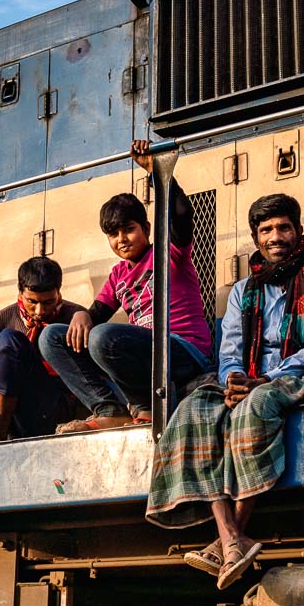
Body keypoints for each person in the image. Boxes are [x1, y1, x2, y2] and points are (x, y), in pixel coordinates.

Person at [149, 193, 304, 588]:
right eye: (266, 230)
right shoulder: (244, 290)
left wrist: (263, 379)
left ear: (298, 231)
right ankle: (231, 538)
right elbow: (230, 351)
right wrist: (233, 381)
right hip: (247, 380)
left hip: (297, 374)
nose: (276, 236)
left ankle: (228, 539)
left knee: (254, 406)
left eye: (283, 227)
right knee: (193, 410)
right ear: (256, 239)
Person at [39, 140, 214, 430]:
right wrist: (83, 314)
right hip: (144, 355)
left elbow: (182, 215)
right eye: (113, 234)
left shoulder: (170, 254)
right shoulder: (118, 273)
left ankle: (145, 407)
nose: (121, 239)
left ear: (146, 229)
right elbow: (97, 314)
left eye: (129, 230)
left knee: (102, 338)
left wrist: (156, 172)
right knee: (52, 338)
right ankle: (109, 408)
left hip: (184, 352)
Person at [0, 256, 88, 442]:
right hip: (9, 420)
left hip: (53, 412)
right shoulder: (3, 319)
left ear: (59, 293)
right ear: (20, 294)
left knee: (9, 340)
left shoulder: (75, 318)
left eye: (48, 302)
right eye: (32, 302)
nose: (39, 311)